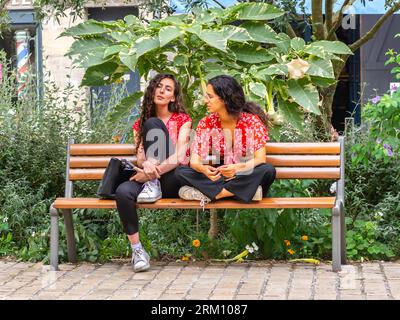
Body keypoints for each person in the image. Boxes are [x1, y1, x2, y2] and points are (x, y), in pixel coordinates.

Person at [115, 73, 192, 272]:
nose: (161, 90)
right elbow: (140, 159)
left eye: (168, 88)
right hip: (149, 182)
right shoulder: (140, 124)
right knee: (123, 192)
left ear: (173, 97)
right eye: (158, 86)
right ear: (152, 90)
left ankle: (153, 183)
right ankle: (138, 250)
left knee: (153, 125)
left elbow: (180, 156)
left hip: (172, 179)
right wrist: (146, 166)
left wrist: (150, 172)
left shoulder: (183, 120)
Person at [175, 75, 276, 206]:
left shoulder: (251, 121)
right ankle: (243, 192)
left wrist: (237, 168)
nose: (206, 100)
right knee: (180, 172)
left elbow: (260, 159)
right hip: (220, 175)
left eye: (210, 96)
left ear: (224, 98)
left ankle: (215, 194)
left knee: (267, 170)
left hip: (242, 173)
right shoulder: (207, 123)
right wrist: (203, 169)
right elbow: (195, 161)